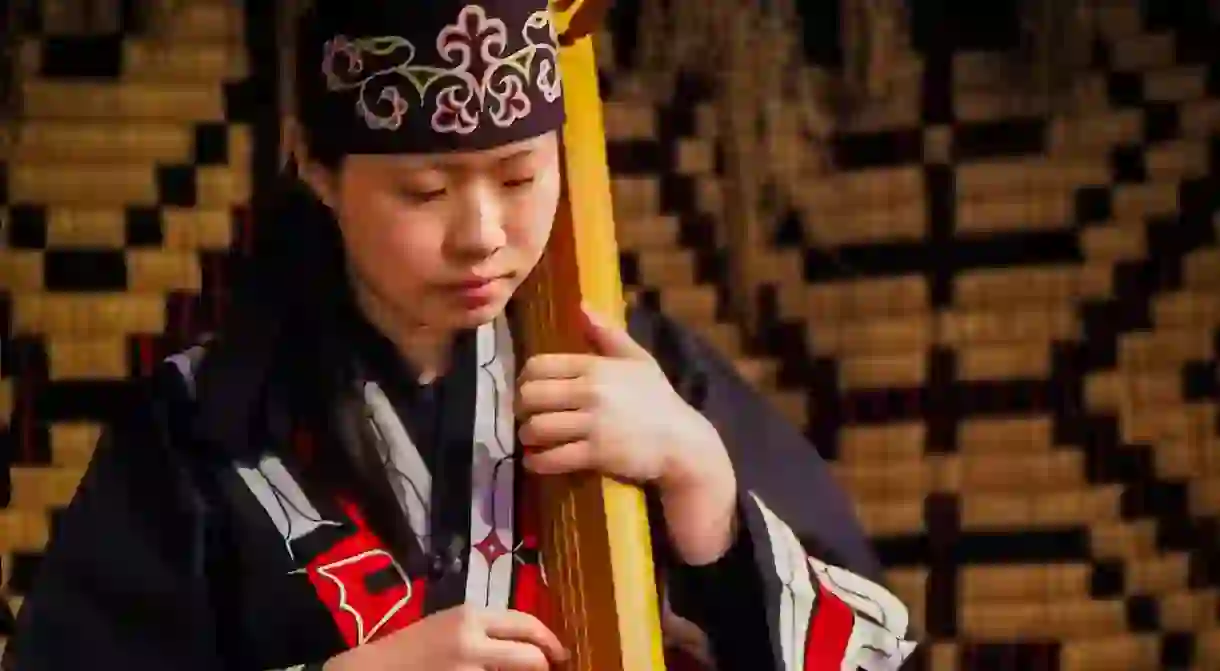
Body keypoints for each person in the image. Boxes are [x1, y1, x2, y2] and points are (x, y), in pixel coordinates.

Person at [3, 1, 918, 669]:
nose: (482, 234)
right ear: (317, 166)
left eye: (520, 179)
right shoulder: (202, 426)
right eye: (427, 191)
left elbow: (886, 654)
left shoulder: (645, 376)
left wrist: (704, 487)